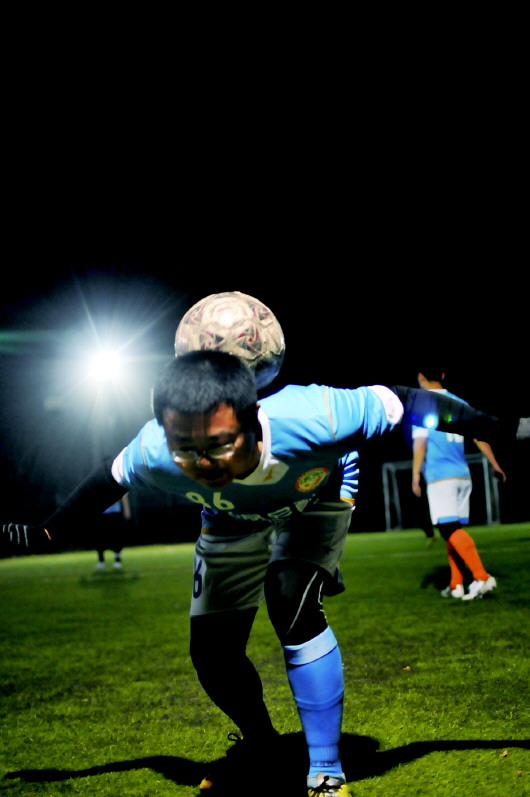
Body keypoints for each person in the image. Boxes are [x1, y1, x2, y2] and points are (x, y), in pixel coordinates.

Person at [3, 352, 528, 796]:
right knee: (211, 653)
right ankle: (263, 744)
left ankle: (325, 771)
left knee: (289, 597)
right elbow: (107, 479)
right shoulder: (154, 449)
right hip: (229, 516)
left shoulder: (316, 415)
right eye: (185, 449)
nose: (203, 463)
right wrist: (47, 533)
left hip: (316, 492)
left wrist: (508, 429)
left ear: (253, 417)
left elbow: (413, 403)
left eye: (219, 444)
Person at [411, 368, 507, 601]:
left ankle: (481, 577)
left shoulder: (423, 404)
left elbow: (421, 443)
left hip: (440, 476)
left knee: (448, 529)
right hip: (462, 475)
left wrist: (415, 475)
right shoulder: (459, 402)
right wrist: (495, 463)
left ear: (421, 377)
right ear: (443, 375)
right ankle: (456, 585)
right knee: (451, 530)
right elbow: (478, 435)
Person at [94, 493, 131, 571]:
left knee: (116, 538)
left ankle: (117, 560)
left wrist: (126, 509)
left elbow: (124, 495)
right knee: (99, 538)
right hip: (101, 514)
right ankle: (101, 561)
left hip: (114, 513)